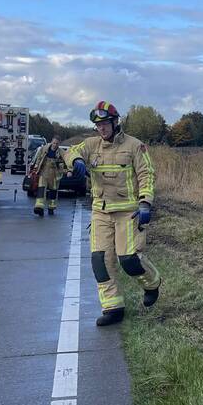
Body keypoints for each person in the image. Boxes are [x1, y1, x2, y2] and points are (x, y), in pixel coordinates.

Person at [65, 101, 160, 326]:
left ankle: (152, 283)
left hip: (128, 213)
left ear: (115, 122)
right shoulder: (91, 145)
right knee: (100, 261)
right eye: (98, 125)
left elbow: (147, 174)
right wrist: (76, 161)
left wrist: (146, 202)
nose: (102, 128)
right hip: (101, 212)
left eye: (106, 123)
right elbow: (70, 152)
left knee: (129, 260)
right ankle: (113, 307)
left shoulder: (135, 146)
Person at [30, 136, 66, 216]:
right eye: (54, 143)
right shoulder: (44, 149)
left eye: (57, 143)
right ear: (51, 142)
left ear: (59, 144)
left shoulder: (61, 152)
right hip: (44, 172)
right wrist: (35, 168)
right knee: (41, 189)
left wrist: (66, 169)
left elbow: (67, 160)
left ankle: (51, 208)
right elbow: (39, 158)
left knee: (53, 191)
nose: (55, 145)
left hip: (55, 174)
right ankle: (39, 207)